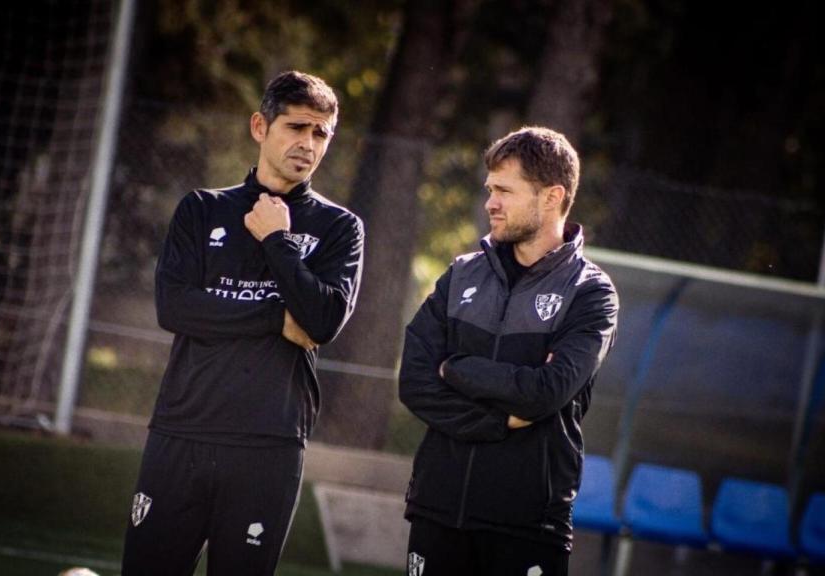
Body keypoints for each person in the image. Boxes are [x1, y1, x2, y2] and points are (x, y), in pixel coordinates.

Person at [122, 71, 364, 576]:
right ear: (260, 126)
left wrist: (277, 241)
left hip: (268, 444)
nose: (308, 143)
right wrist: (277, 315)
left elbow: (320, 321)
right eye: (296, 127)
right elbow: (175, 309)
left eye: (320, 133)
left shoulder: (340, 228)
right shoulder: (201, 208)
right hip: (182, 429)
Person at [398, 127, 619, 576]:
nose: (490, 203)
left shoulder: (590, 294)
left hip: (528, 523)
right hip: (439, 509)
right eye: (490, 190)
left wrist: (456, 367)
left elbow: (545, 393)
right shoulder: (460, 275)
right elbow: (414, 382)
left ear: (552, 196)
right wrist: (497, 421)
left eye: (504, 191)